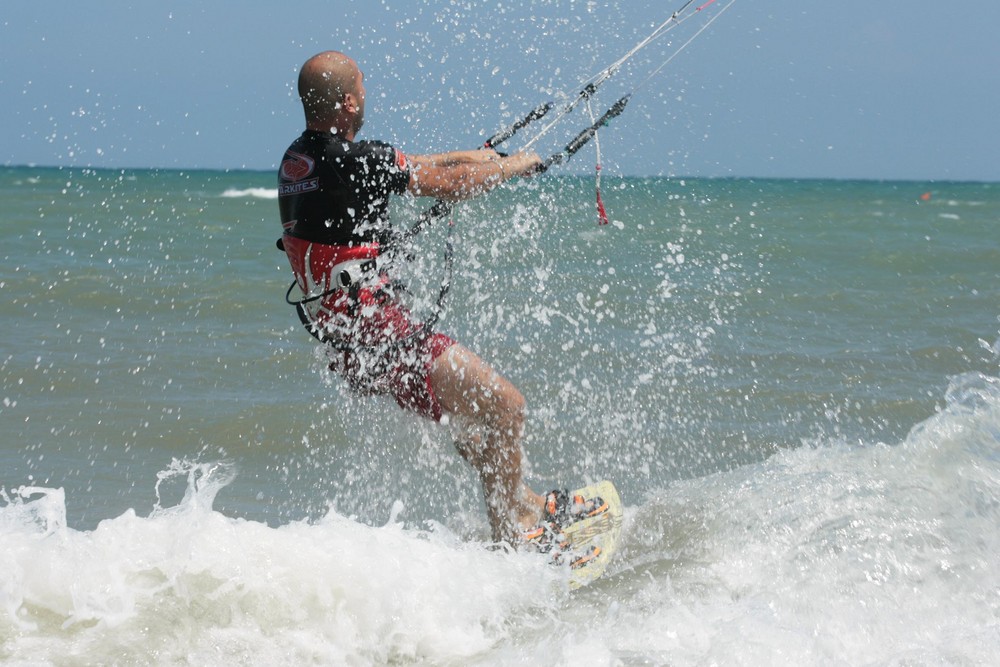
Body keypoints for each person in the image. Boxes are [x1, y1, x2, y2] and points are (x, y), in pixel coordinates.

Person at [277, 50, 553, 545]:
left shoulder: (301, 160)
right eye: (361, 87)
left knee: (477, 426)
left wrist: (485, 156)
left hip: (350, 348)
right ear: (346, 102)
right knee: (506, 407)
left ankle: (517, 505)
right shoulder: (353, 162)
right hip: (380, 337)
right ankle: (514, 533)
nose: (366, 94)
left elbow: (424, 164)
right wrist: (514, 168)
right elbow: (445, 181)